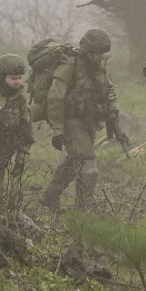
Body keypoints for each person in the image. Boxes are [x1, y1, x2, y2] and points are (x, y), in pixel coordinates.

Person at [39, 29, 126, 212]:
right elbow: (55, 97)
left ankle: (49, 196)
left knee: (75, 163)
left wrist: (113, 109)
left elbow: (109, 89)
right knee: (89, 169)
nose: (100, 57)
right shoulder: (70, 64)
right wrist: (57, 129)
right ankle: (83, 215)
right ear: (87, 50)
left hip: (90, 121)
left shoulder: (99, 66)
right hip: (71, 121)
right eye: (97, 53)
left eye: (102, 53)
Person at [0, 54, 34, 187]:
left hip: (3, 156)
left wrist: (20, 161)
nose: (18, 82)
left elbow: (26, 134)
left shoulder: (20, 101)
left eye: (20, 78)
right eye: (13, 78)